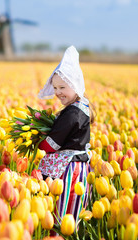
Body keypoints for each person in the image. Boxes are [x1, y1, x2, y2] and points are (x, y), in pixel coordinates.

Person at [37, 45, 96, 233]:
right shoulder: (81, 106)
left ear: (75, 85)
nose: (58, 92)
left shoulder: (73, 113)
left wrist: (38, 141)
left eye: (62, 87)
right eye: (55, 88)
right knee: (72, 210)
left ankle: (59, 234)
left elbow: (52, 144)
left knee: (64, 208)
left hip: (69, 169)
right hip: (79, 165)